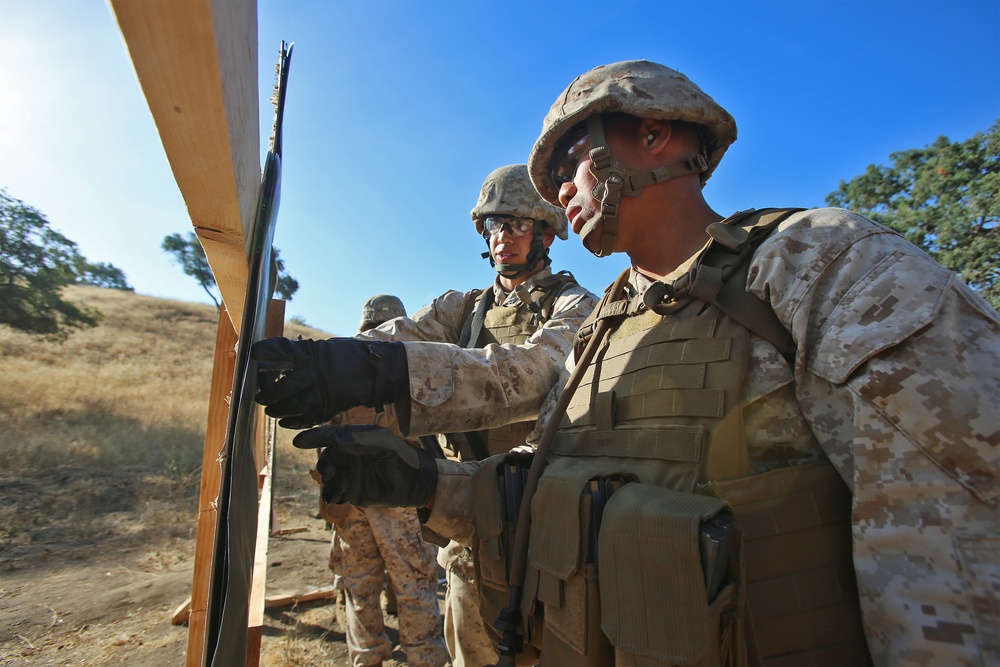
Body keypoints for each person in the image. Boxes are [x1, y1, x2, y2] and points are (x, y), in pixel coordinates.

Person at [256, 62, 999, 667]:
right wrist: (425, 484)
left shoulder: (820, 263)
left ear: (652, 133)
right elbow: (549, 495)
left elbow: (950, 554)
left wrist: (384, 377)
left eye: (569, 167)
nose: (557, 197)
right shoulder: (604, 323)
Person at [321, 294, 449, 667]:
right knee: (413, 586)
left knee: (361, 587)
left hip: (356, 498)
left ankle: (369, 658)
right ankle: (424, 658)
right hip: (397, 500)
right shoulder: (413, 369)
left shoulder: (338, 371)